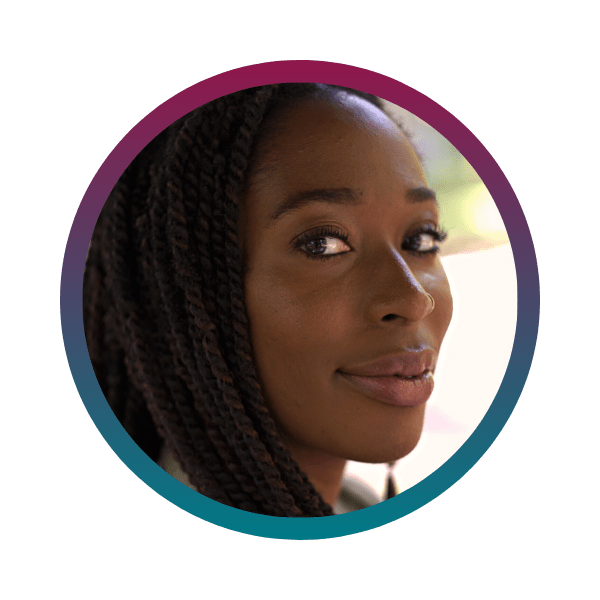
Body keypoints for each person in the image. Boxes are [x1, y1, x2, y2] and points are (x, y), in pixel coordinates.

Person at [83, 83, 453, 517]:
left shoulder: (353, 505)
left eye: (420, 239)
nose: (413, 299)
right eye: (323, 244)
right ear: (188, 298)